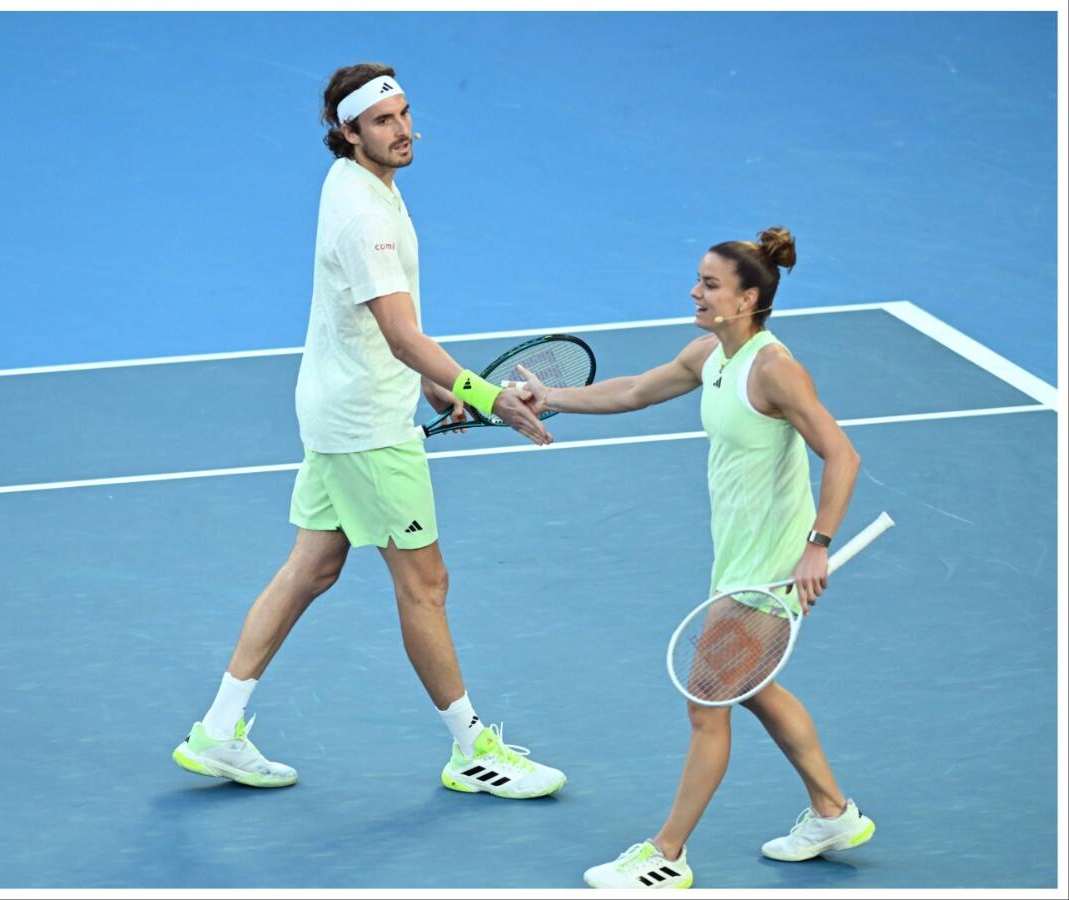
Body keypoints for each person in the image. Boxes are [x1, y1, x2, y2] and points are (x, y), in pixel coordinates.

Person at [171, 63, 566, 801]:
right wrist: (482, 395)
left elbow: (381, 329)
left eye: (406, 113)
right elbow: (398, 329)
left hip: (340, 406)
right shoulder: (365, 214)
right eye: (383, 122)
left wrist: (431, 384)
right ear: (348, 132)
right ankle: (470, 751)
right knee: (426, 584)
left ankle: (217, 731)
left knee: (311, 569)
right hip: (365, 427)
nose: (403, 130)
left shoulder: (364, 186)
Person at [516, 228, 873, 888]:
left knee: (706, 707)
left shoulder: (774, 369)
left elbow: (843, 455)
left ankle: (667, 854)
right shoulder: (710, 353)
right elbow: (633, 391)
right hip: (735, 562)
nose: (695, 291)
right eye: (699, 280)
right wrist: (553, 398)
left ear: (747, 300)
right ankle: (832, 811)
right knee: (753, 689)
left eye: (710, 285)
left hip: (768, 576)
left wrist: (816, 548)